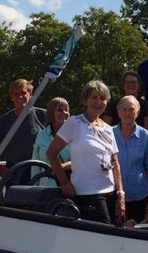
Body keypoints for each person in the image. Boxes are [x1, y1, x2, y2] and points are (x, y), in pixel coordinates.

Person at [46, 81, 125, 224]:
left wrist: (120, 193)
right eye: (94, 97)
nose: (98, 102)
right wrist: (64, 182)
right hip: (87, 194)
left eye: (102, 98)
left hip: (110, 192)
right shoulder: (74, 123)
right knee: (102, 236)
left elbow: (115, 163)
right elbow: (51, 153)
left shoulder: (108, 128)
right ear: (85, 100)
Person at [0, 79, 47, 184]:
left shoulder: (43, 115)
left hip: (41, 170)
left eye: (23, 93)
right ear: (11, 97)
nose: (20, 97)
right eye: (16, 94)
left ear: (30, 94)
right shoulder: (4, 120)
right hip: (15, 172)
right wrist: (1, 170)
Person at [113, 95, 148, 222]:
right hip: (115, 194)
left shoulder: (145, 135)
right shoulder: (109, 133)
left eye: (131, 109)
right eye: (124, 109)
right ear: (118, 112)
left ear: (137, 112)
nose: (127, 113)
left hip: (139, 194)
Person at [32, 97, 71, 185]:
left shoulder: (74, 133)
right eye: (60, 110)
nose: (64, 113)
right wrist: (34, 186)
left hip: (70, 186)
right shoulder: (42, 135)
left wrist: (64, 166)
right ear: (51, 112)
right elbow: (35, 164)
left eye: (66, 110)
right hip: (46, 187)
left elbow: (82, 160)